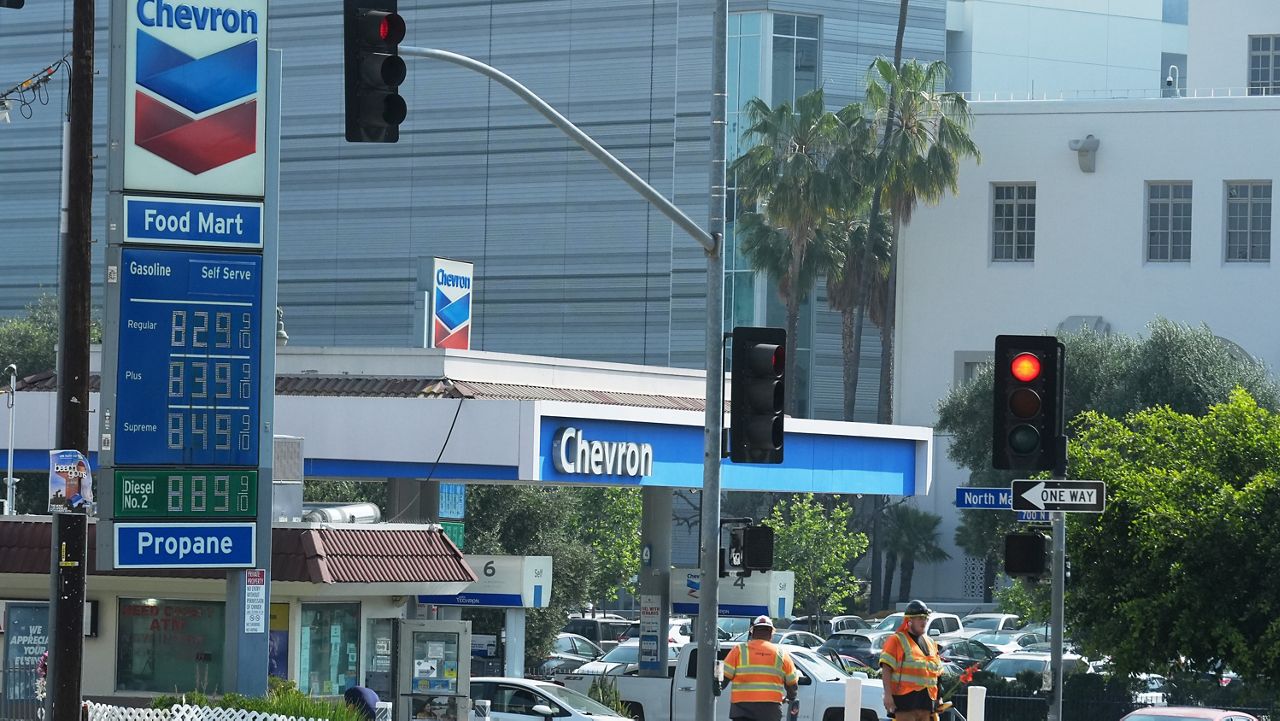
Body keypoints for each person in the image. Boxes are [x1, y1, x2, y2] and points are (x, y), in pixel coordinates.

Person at [721, 615, 800, 721]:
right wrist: (790, 697)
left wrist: (716, 689)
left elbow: (723, 678)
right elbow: (792, 683)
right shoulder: (781, 654)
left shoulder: (739, 650)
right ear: (771, 633)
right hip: (770, 711)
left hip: (741, 710)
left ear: (752, 632)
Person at [879, 600, 945, 721]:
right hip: (905, 702)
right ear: (909, 621)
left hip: (926, 703)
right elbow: (886, 669)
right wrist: (887, 696)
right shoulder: (896, 640)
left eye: (925, 618)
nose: (924, 621)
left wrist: (939, 697)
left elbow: (938, 673)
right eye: (919, 618)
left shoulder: (930, 642)